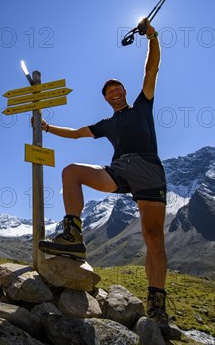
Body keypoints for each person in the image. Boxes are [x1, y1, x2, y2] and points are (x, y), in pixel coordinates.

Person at [37, 18, 181, 339]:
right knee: (71, 171)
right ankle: (73, 237)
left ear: (124, 92)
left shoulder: (142, 106)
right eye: (108, 93)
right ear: (106, 100)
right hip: (119, 169)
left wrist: (152, 36)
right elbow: (75, 134)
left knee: (153, 237)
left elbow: (151, 69)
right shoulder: (106, 124)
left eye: (117, 89)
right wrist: (47, 128)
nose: (114, 94)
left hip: (147, 169)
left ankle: (157, 303)